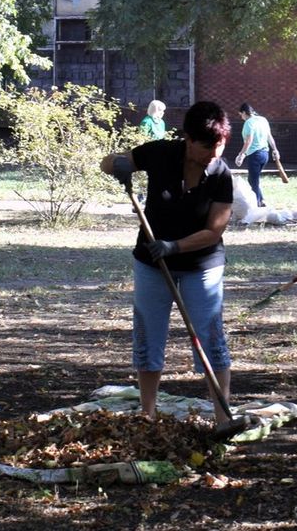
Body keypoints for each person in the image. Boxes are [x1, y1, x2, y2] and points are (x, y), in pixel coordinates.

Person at [100, 101, 234, 423]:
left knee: (211, 338)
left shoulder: (221, 174)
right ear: (188, 139)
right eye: (206, 147)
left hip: (202, 268)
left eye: (220, 146)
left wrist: (173, 247)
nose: (213, 155)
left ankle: (223, 418)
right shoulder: (160, 152)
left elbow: (213, 232)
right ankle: (147, 415)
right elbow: (108, 162)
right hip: (151, 265)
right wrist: (117, 166)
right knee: (148, 336)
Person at [234, 103, 279, 207]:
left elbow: (248, 141)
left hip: (255, 155)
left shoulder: (248, 123)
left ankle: (258, 204)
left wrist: (241, 154)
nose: (241, 118)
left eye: (241, 115)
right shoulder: (263, 120)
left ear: (244, 113)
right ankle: (261, 200)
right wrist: (275, 149)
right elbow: (269, 136)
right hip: (265, 154)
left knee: (253, 180)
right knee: (254, 179)